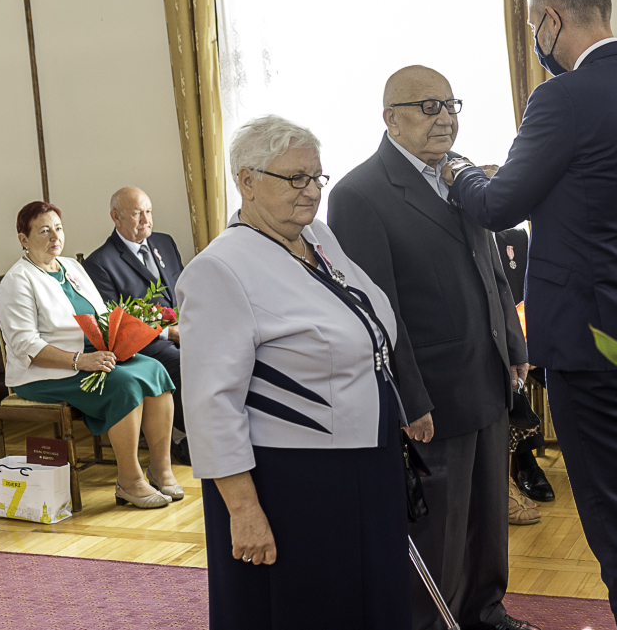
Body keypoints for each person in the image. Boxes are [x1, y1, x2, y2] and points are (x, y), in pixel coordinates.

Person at [444, 0, 617, 630]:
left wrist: (462, 170)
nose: (536, 37)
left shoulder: (561, 98)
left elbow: (498, 205)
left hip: (591, 340)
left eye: (534, 24)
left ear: (551, 19)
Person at [177, 116, 430, 630]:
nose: (312, 191)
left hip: (366, 460)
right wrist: (243, 510)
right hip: (291, 479)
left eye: (316, 177)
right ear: (247, 181)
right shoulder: (220, 269)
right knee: (308, 606)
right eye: (295, 178)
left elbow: (367, 329)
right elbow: (210, 406)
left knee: (372, 597)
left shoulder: (317, 237)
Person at [328, 66, 536, 630]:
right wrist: (409, 399)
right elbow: (378, 312)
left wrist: (514, 344)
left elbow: (493, 270)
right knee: (438, 529)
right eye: (427, 106)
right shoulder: (358, 194)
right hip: (432, 394)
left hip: (489, 375)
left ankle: (486, 613)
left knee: (488, 519)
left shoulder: (460, 174)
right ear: (390, 119)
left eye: (449, 104)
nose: (444, 117)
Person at [0, 201, 181, 509]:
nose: (55, 236)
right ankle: (129, 481)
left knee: (154, 369)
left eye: (58, 228)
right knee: (124, 384)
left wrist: (123, 339)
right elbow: (26, 345)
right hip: (44, 373)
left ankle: (160, 469)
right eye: (44, 231)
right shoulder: (17, 281)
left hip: (93, 357)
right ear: (23, 239)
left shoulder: (71, 267)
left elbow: (102, 315)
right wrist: (80, 361)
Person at [83, 187, 190, 465]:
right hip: (144, 345)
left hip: (185, 330)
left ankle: (224, 428)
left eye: (148, 211)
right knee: (184, 363)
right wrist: (169, 332)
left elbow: (182, 291)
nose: (146, 219)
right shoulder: (100, 263)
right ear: (115, 217)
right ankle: (186, 437)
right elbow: (116, 324)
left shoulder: (165, 242)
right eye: (137, 213)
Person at [495, 227, 555, 507]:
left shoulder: (517, 238)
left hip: (532, 336)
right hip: (497, 345)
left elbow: (537, 292)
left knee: (563, 372)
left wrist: (534, 340)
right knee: (510, 383)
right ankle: (527, 464)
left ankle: (588, 446)